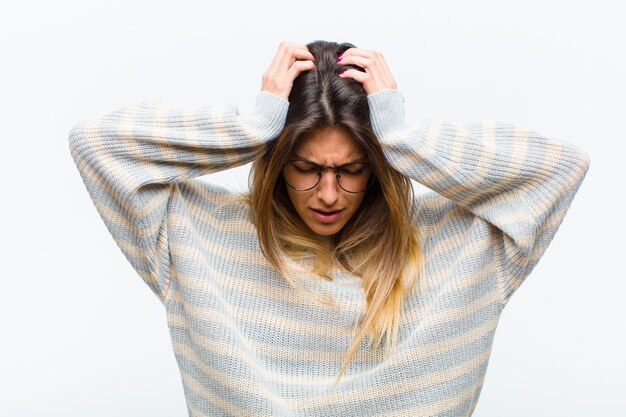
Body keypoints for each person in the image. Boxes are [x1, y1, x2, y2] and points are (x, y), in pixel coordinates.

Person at [68, 40, 590, 416]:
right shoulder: (200, 238)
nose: (327, 193)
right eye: (306, 168)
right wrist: (252, 128)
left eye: (351, 170)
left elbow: (561, 168)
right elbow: (97, 146)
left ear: (377, 166)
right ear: (277, 164)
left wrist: (403, 137)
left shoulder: (457, 246)